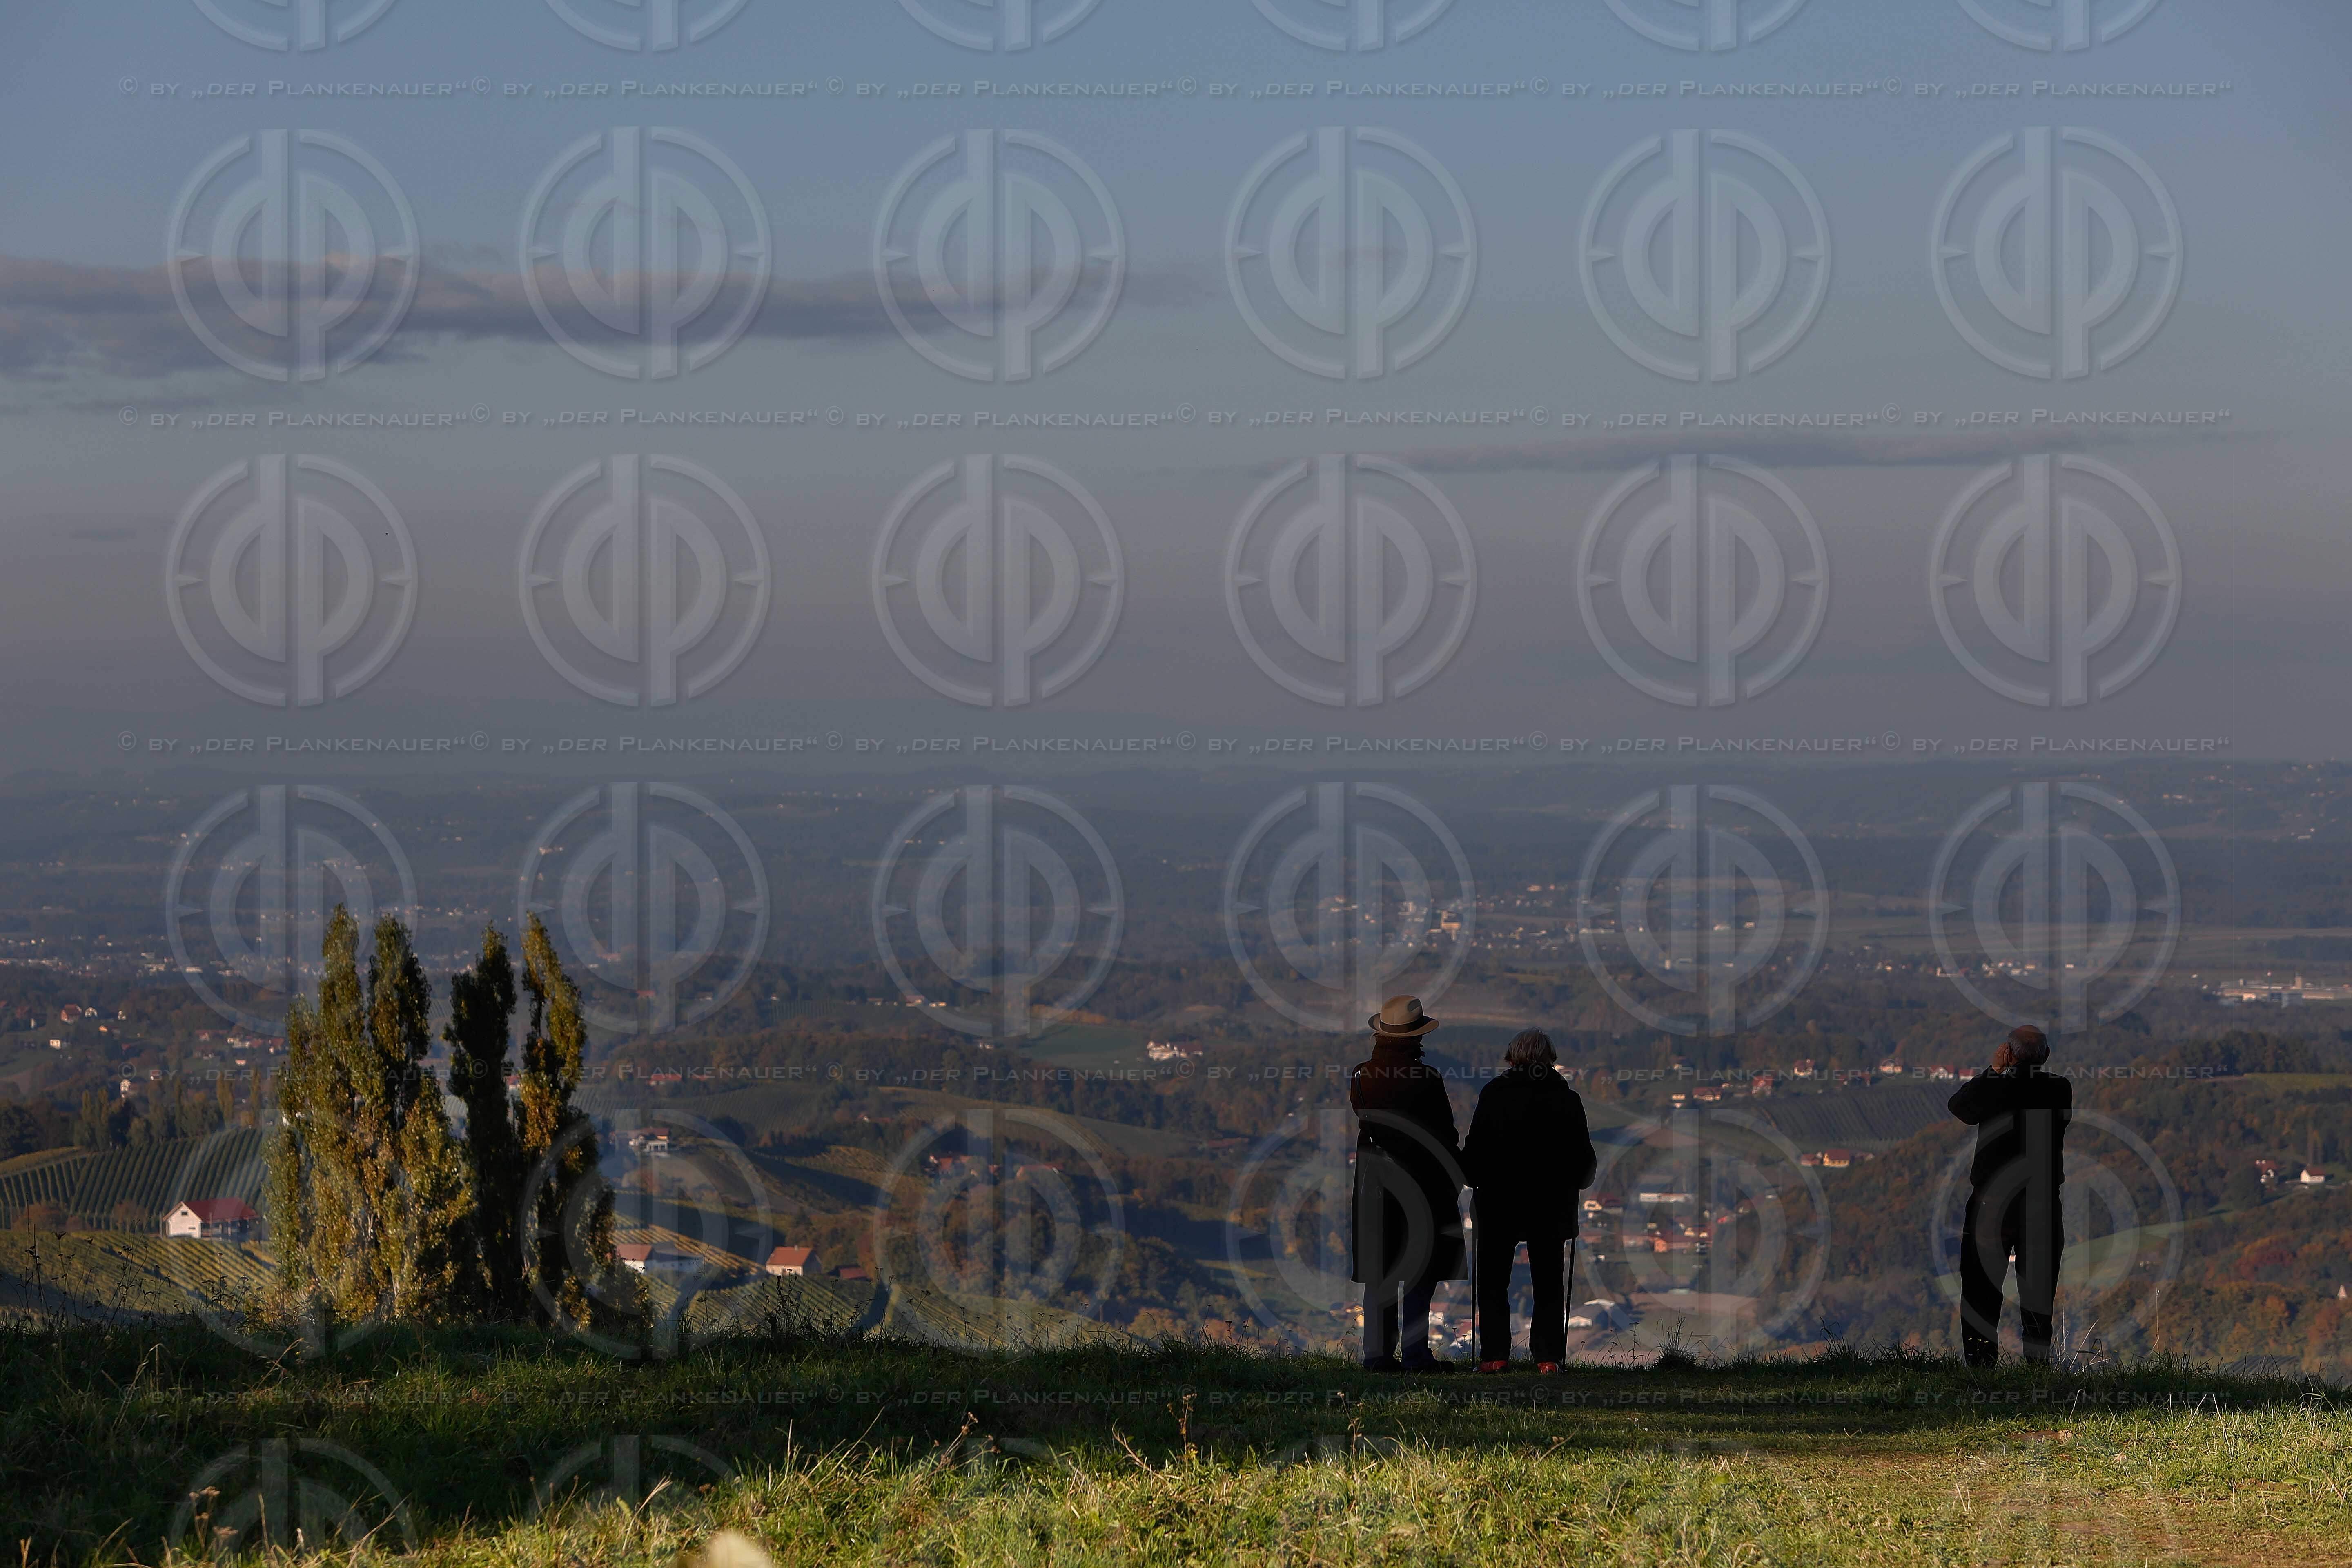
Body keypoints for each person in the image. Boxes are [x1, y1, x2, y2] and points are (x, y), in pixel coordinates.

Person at [1462, 1029, 1595, 1373]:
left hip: (1498, 1205)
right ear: (1550, 1059)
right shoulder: (1567, 1100)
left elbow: (1475, 1153)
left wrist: (1472, 1177)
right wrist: (1578, 1183)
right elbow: (1583, 1160)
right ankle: (1548, 1358)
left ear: (1512, 1058)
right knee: (1549, 1282)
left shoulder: (1494, 1095)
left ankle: (1494, 1356)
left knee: (1493, 1282)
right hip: (1550, 1207)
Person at [1349, 995, 1465, 1372]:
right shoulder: (1428, 1080)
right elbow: (1445, 1135)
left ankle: (1377, 1356)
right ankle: (1416, 1354)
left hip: (1375, 1186)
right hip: (1423, 1184)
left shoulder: (1361, 1077)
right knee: (1420, 1270)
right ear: (1416, 1038)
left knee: (1380, 1271)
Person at [1947, 1023, 2072, 1367]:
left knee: (1980, 1291)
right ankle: (2037, 1368)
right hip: (2042, 1205)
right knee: (2038, 1293)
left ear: (2009, 1053)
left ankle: (1981, 1367)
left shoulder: (1994, 1089)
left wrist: (1995, 1070)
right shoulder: (2060, 1089)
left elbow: (1959, 1107)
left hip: (1992, 1205)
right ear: (2046, 1056)